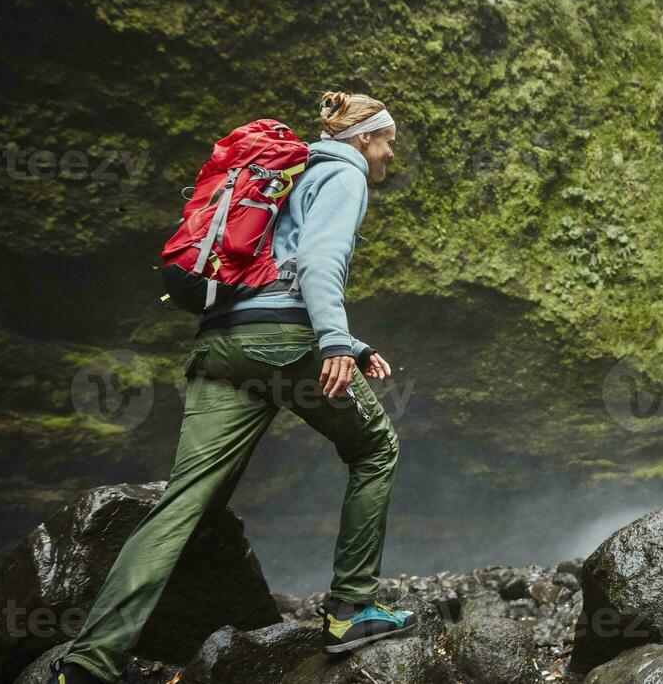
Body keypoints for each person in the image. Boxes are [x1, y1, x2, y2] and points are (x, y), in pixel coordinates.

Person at [50, 91, 416, 684]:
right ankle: (351, 610)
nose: (390, 152)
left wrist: (352, 341)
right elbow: (320, 263)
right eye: (387, 140)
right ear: (364, 139)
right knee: (375, 449)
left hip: (222, 342)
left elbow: (271, 272)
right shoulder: (344, 176)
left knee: (182, 503)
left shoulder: (285, 176)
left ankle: (90, 664)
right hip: (283, 344)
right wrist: (332, 342)